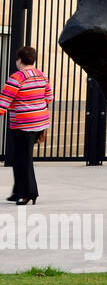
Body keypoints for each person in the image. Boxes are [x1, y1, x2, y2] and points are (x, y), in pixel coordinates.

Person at [0, 45, 52, 205]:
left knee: (23, 159)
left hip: (23, 125)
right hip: (40, 122)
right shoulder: (41, 76)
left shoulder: (17, 78)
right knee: (19, 157)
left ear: (19, 60)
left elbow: (3, 102)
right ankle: (18, 191)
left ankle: (29, 193)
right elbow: (49, 97)